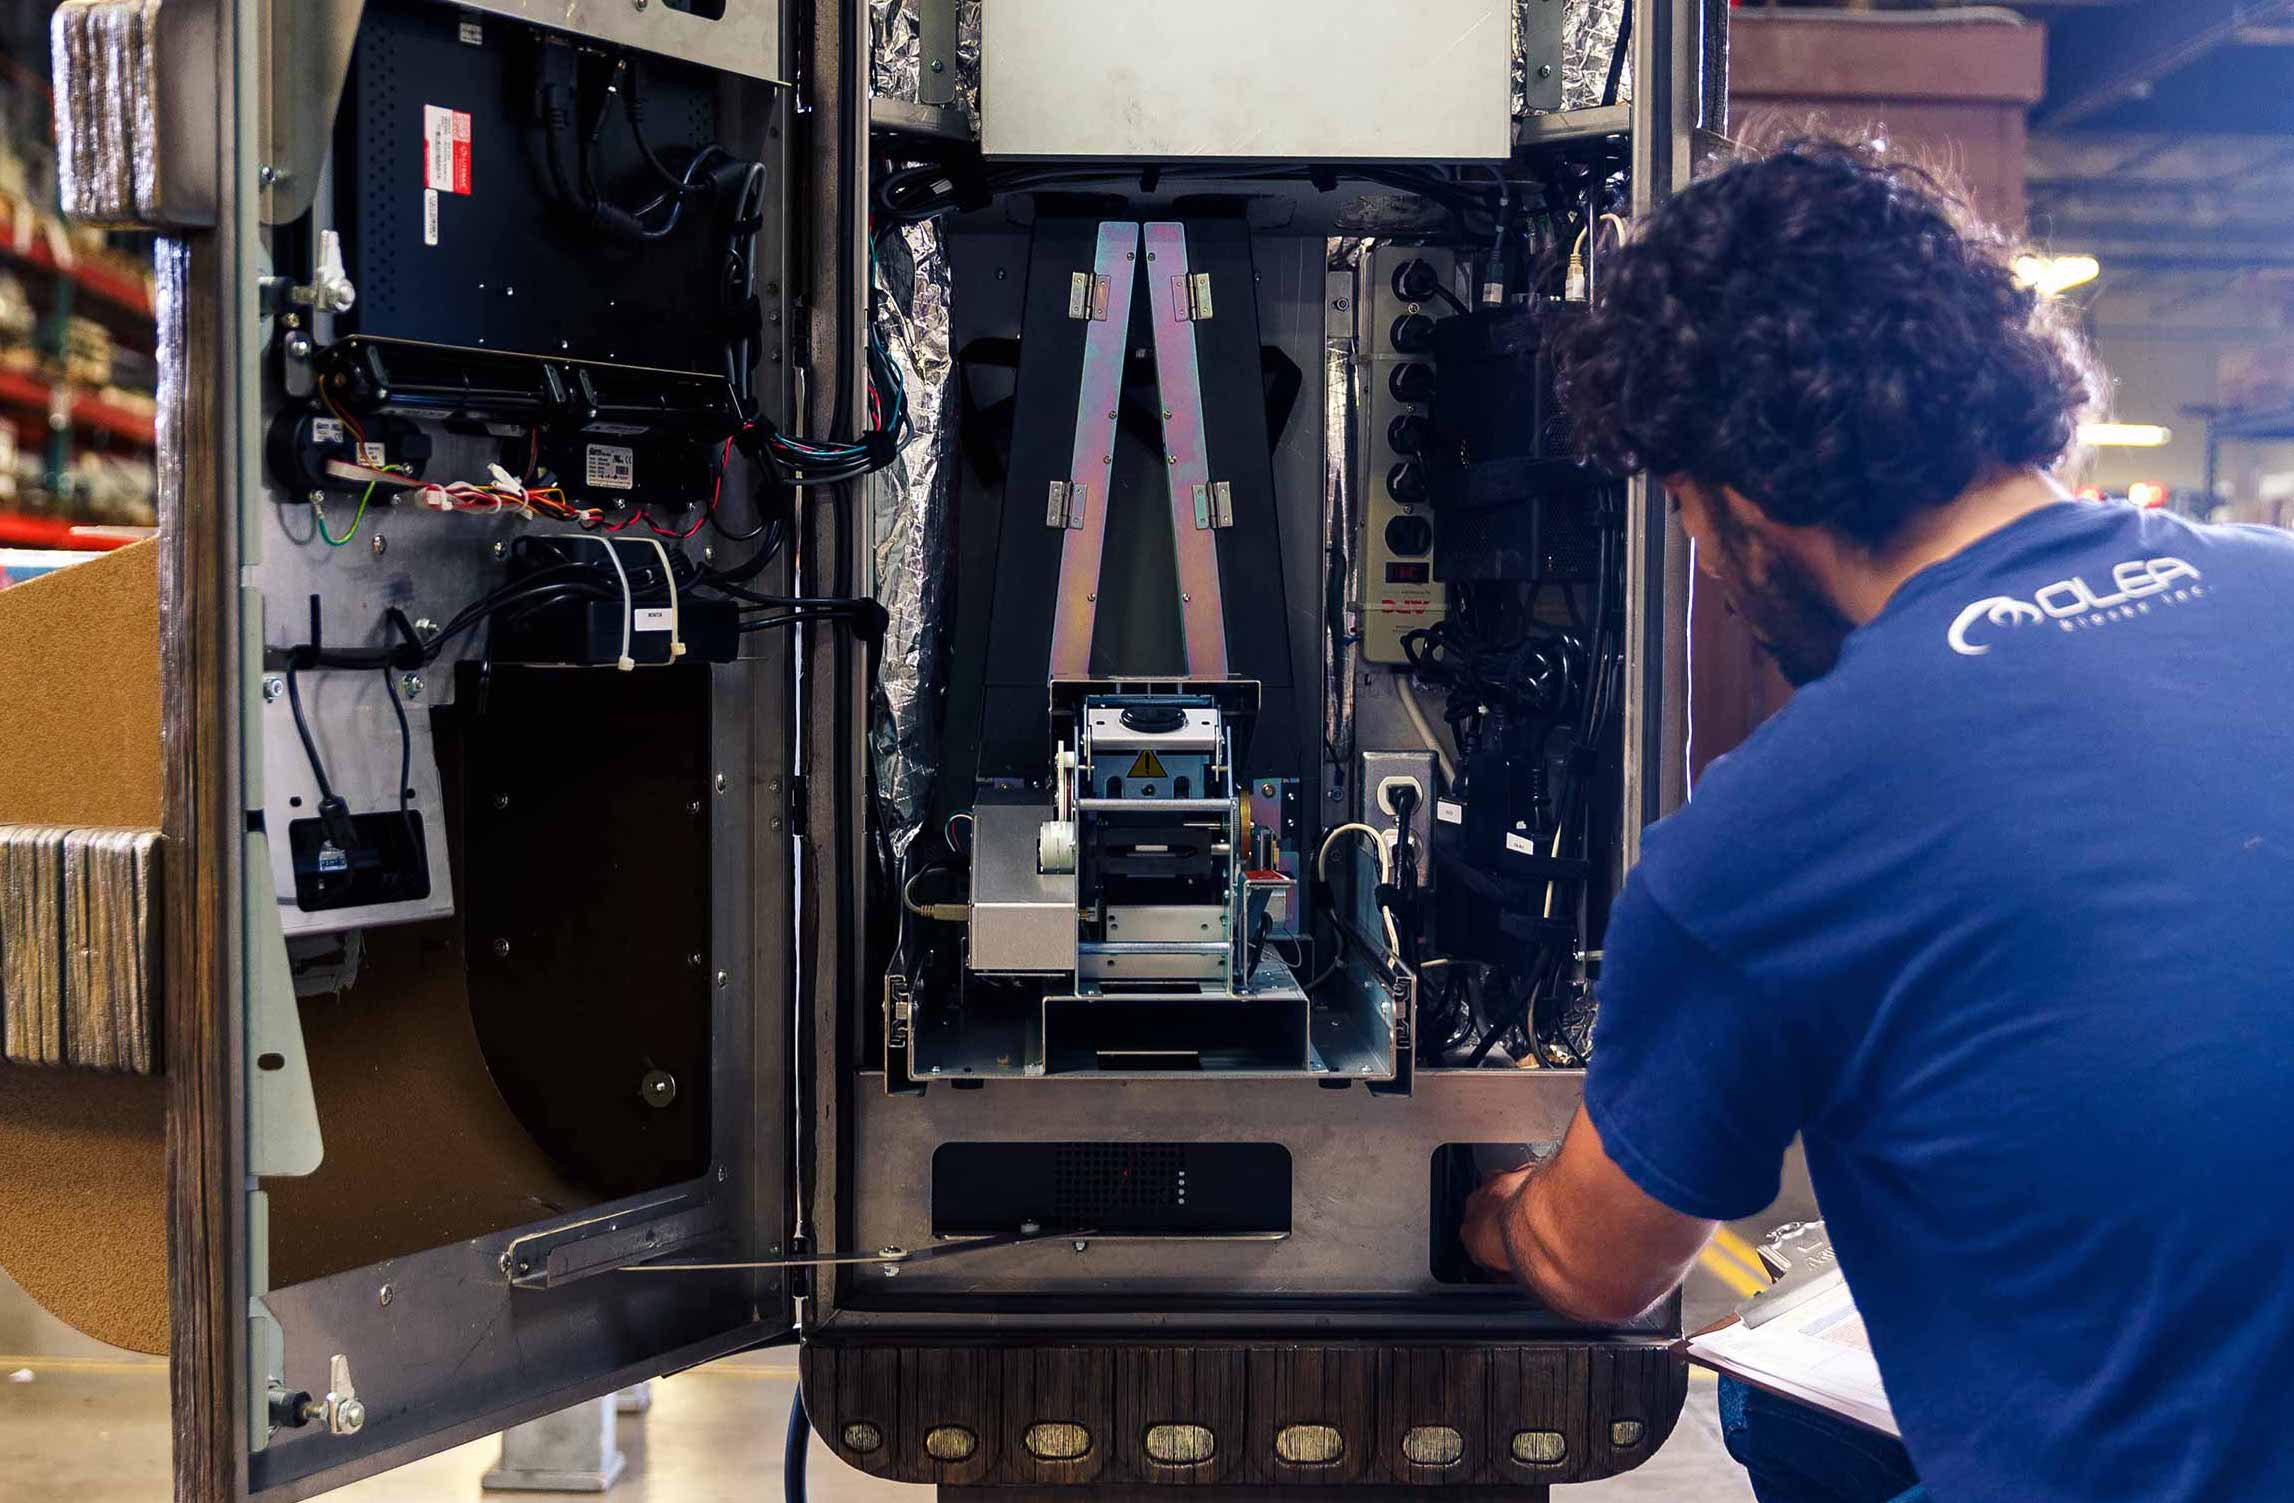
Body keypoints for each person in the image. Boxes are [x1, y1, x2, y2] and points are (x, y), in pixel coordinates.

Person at [1458, 137, 2294, 1503]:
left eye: (1680, 511)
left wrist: (1493, 1213)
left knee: (1771, 1417)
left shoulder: (1776, 827)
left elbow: (1600, 1271)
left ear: (1743, 497)